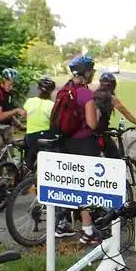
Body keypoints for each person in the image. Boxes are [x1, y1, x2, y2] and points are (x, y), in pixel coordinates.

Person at [51, 55, 102, 243]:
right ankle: (88, 230)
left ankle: (62, 223)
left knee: (68, 183)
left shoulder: (63, 90)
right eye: (91, 70)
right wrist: (96, 113)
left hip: (65, 142)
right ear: (85, 72)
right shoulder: (85, 94)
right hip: (83, 144)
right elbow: (92, 124)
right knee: (86, 187)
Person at [0, 68, 26, 154]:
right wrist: (17, 110)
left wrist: (19, 125)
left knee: (10, 160)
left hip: (7, 128)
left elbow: (8, 112)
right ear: (3, 81)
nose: (11, 87)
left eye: (13, 85)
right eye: (10, 84)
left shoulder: (8, 94)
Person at [22, 76, 56, 171]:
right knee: (45, 162)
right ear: (51, 91)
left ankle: (27, 179)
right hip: (46, 136)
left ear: (38, 89)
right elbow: (53, 121)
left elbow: (25, 116)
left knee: (30, 160)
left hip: (30, 136)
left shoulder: (29, 101)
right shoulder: (52, 105)